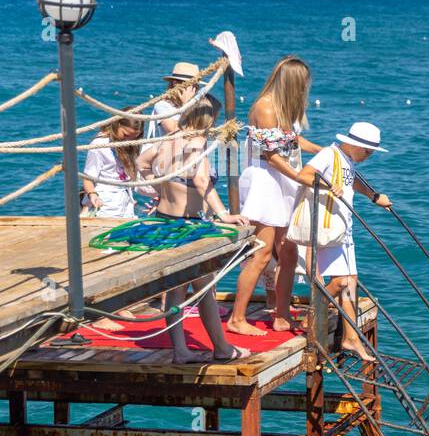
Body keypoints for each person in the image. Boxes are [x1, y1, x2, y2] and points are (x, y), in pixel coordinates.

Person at [137, 96, 253, 364]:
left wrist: (160, 188)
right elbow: (201, 181)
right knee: (204, 289)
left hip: (164, 221)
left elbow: (142, 163)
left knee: (177, 291)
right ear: (210, 119)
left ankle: (181, 350)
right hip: (188, 225)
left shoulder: (169, 138)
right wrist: (225, 214)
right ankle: (222, 349)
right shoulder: (197, 143)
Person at [228, 56, 322, 337]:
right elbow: (270, 156)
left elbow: (293, 142)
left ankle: (281, 315)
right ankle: (237, 317)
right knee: (263, 252)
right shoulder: (266, 108)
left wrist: (327, 152)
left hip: (283, 181)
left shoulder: (286, 109)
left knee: (288, 251)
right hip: (266, 182)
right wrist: (301, 177)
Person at [294, 122, 392, 361]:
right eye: (367, 151)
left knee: (350, 283)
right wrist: (329, 186)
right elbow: (305, 175)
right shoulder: (329, 154)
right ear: (355, 144)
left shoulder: (347, 161)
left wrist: (373, 196)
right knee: (342, 282)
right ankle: (313, 315)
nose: (368, 156)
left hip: (342, 231)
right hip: (327, 230)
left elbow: (353, 181)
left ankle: (351, 338)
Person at [81, 116, 145, 220]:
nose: (128, 141)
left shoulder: (133, 144)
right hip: (105, 201)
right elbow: (88, 178)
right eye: (125, 135)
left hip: (126, 200)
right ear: (117, 125)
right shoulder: (99, 145)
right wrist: (92, 195)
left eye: (134, 138)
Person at [146, 61, 199, 140]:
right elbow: (175, 131)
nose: (195, 89)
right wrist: (186, 104)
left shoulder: (199, 106)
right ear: (175, 84)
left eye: (196, 86)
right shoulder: (162, 105)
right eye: (192, 85)